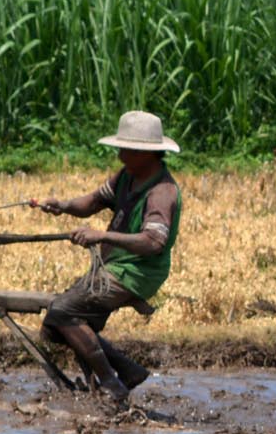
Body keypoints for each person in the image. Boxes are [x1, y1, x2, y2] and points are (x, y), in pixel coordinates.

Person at [27, 110, 182, 404]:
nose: (120, 156)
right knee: (54, 327)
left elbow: (153, 242)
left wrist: (102, 236)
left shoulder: (162, 192)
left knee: (63, 312)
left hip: (138, 271)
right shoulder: (127, 177)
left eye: (126, 150)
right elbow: (94, 202)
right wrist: (61, 205)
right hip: (116, 266)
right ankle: (128, 370)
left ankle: (112, 384)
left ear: (145, 153)